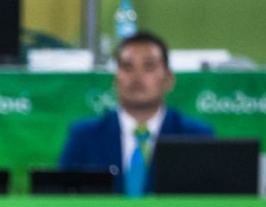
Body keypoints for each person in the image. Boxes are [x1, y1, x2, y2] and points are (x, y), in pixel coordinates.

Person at [58, 31, 213, 195]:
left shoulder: (196, 137)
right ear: (115, 79)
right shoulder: (84, 136)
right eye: (127, 67)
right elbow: (63, 203)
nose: (137, 77)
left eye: (148, 67)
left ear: (169, 79)